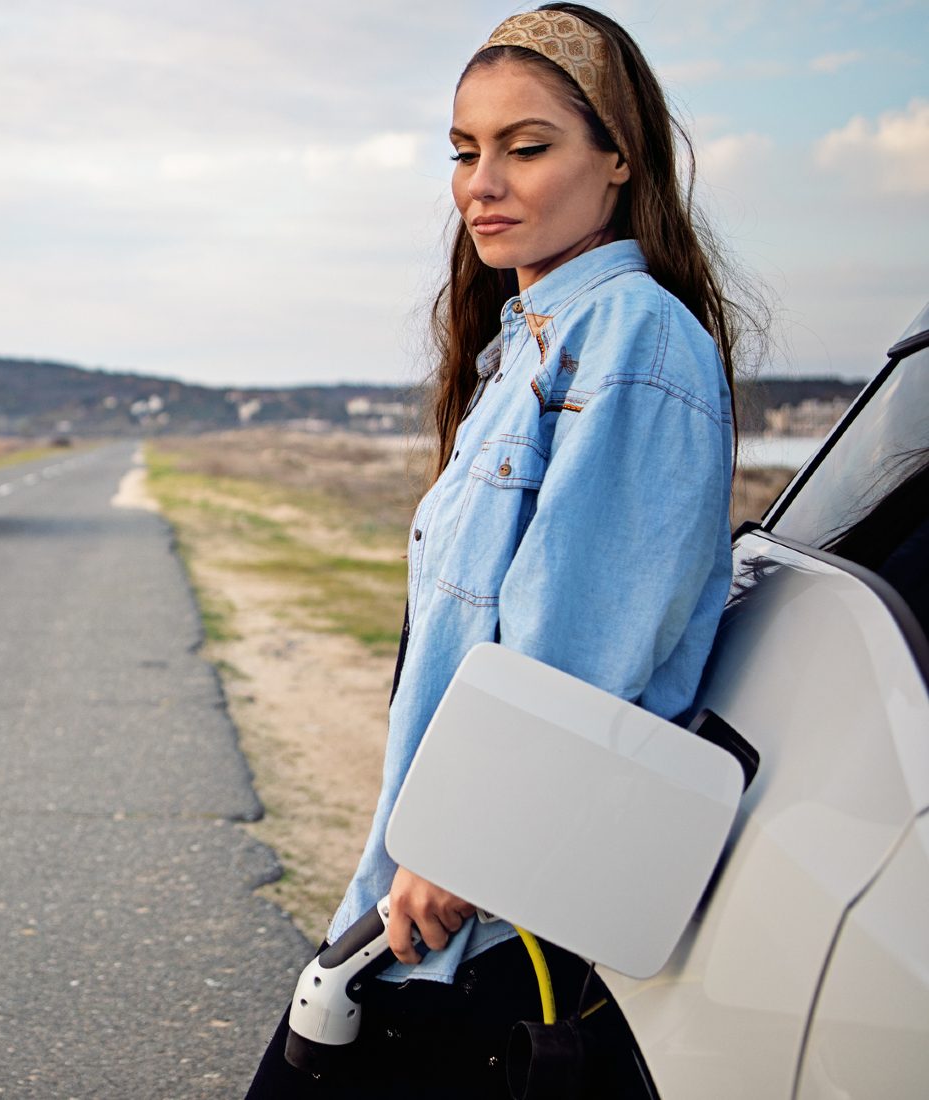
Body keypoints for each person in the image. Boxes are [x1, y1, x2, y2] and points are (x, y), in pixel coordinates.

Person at [245, 5, 759, 1096]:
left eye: (527, 148)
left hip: (473, 916)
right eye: (465, 150)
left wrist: (458, 852)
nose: (483, 181)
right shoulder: (517, 350)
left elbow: (577, 643)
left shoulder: (631, 337)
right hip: (423, 887)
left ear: (620, 159)